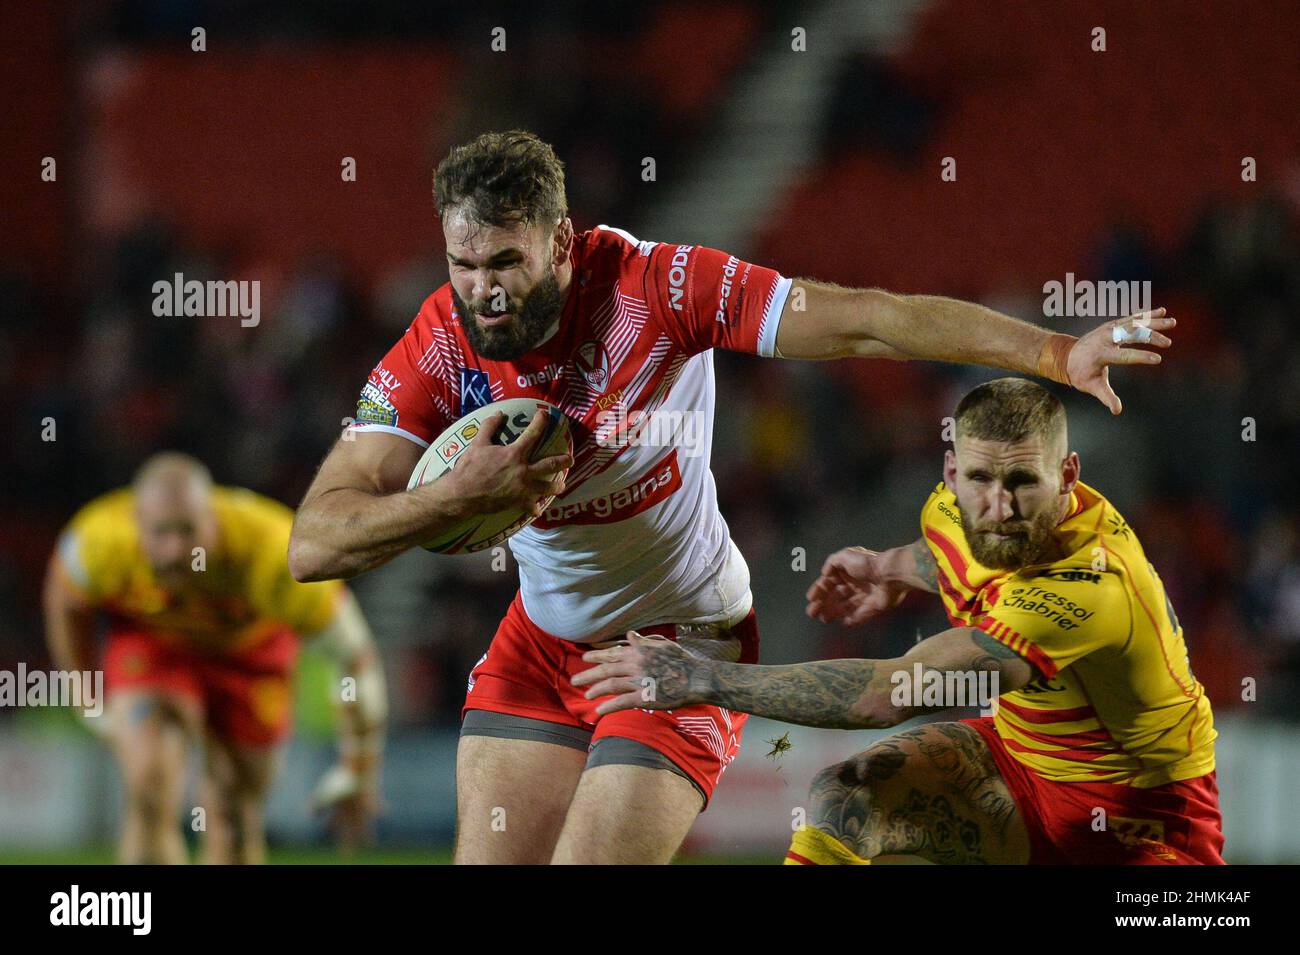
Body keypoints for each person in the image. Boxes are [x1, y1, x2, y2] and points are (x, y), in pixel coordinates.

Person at [288, 130, 1173, 865]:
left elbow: (867, 315)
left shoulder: (660, 290)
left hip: (680, 635)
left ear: (560, 240)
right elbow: (313, 544)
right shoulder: (440, 342)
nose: (482, 289)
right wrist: (452, 498)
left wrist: (1055, 356)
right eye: (463, 263)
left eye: (506, 262)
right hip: (542, 644)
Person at [575, 378, 1221, 865]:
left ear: (1067, 476)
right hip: (1021, 770)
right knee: (847, 794)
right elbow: (950, 552)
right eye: (980, 480)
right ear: (951, 473)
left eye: (1023, 481)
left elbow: (890, 694)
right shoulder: (956, 509)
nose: (998, 506)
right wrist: (887, 569)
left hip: (1149, 825)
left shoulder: (1089, 588)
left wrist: (705, 678)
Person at [44, 452, 387, 864]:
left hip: (252, 655)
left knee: (232, 812)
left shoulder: (278, 551)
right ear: (136, 524)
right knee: (149, 789)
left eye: (186, 531)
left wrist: (358, 765)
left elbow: (355, 658)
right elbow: (65, 602)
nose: (174, 550)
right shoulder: (100, 538)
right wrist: (86, 693)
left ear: (211, 519)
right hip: (157, 647)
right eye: (160, 533)